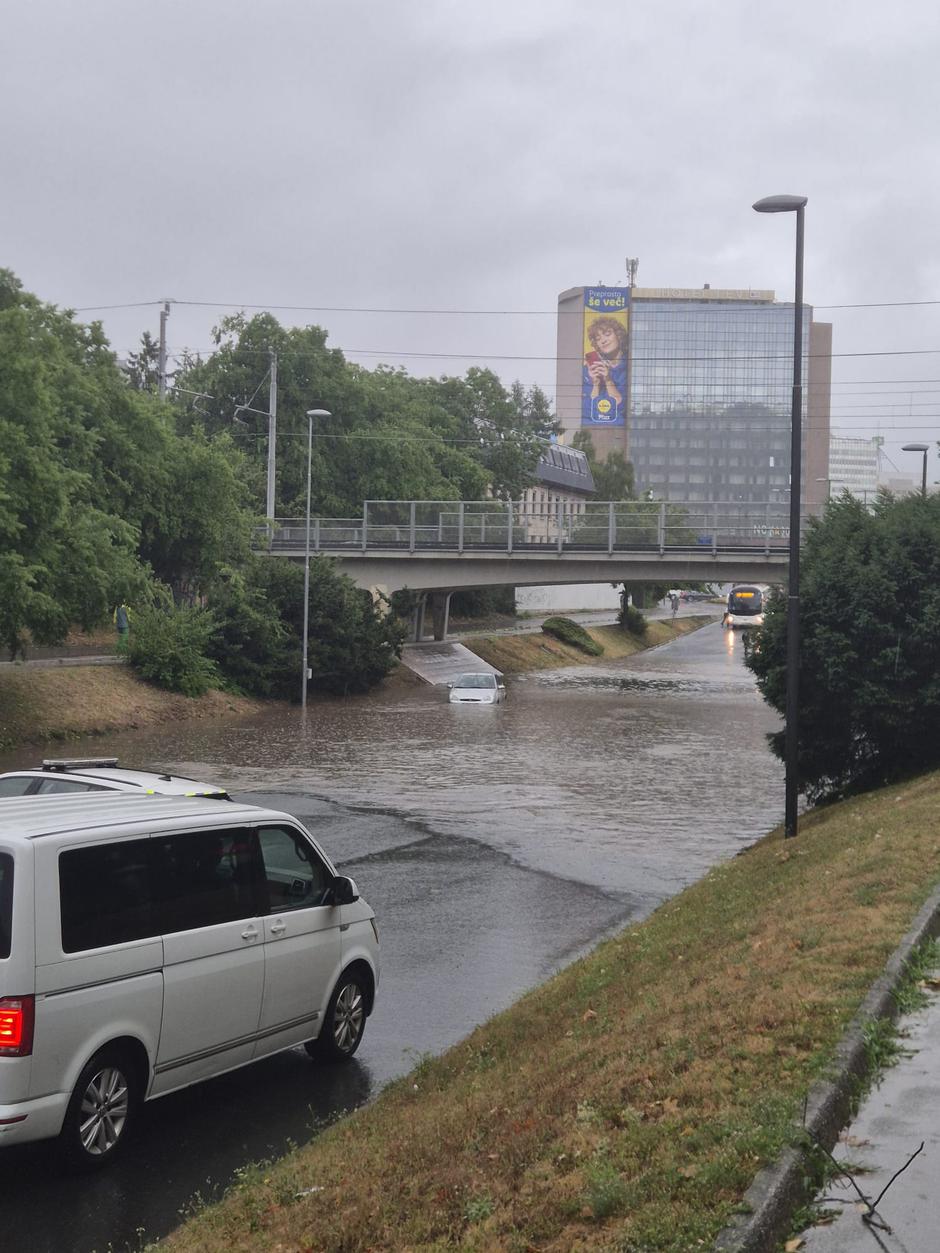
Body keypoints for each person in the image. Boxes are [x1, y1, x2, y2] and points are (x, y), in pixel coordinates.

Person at [582, 316, 629, 423]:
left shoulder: (629, 367)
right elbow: (588, 409)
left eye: (607, 334)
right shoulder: (589, 369)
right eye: (598, 339)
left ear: (618, 336)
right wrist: (595, 383)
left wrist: (608, 380)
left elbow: (620, 407)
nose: (603, 340)